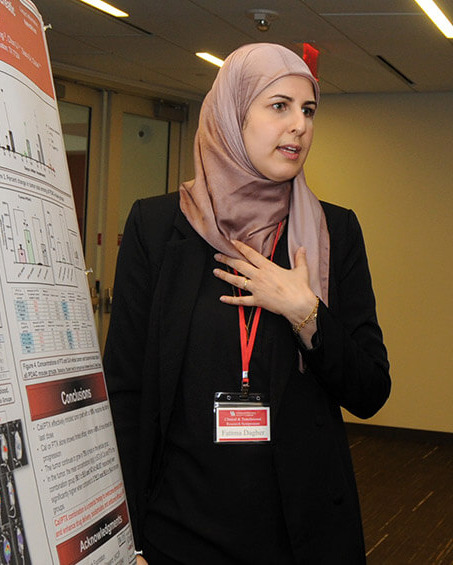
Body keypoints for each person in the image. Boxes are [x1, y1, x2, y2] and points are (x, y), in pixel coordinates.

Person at [102, 43, 390, 564]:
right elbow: (125, 392)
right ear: (232, 115)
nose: (299, 125)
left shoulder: (333, 232)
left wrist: (306, 313)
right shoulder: (157, 227)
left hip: (298, 536)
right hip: (178, 531)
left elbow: (370, 389)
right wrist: (127, 537)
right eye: (279, 106)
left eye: (308, 110)